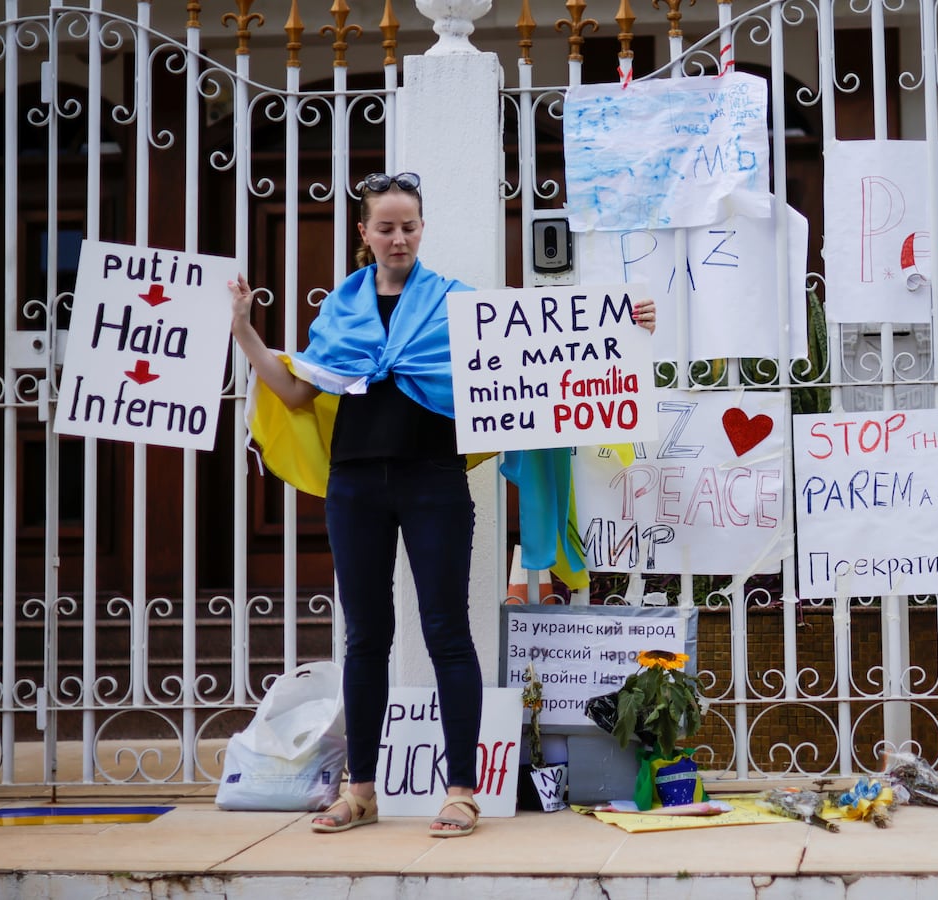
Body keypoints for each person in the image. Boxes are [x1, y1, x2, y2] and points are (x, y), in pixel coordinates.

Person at [229, 171, 655, 836]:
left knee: (448, 633)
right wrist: (244, 332)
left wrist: (621, 325)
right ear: (363, 233)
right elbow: (292, 393)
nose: (398, 237)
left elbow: (536, 351)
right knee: (365, 639)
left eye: (409, 226)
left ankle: (462, 792)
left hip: (433, 479)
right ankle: (360, 790)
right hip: (356, 485)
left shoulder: (460, 307)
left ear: (422, 230)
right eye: (386, 226)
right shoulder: (341, 311)